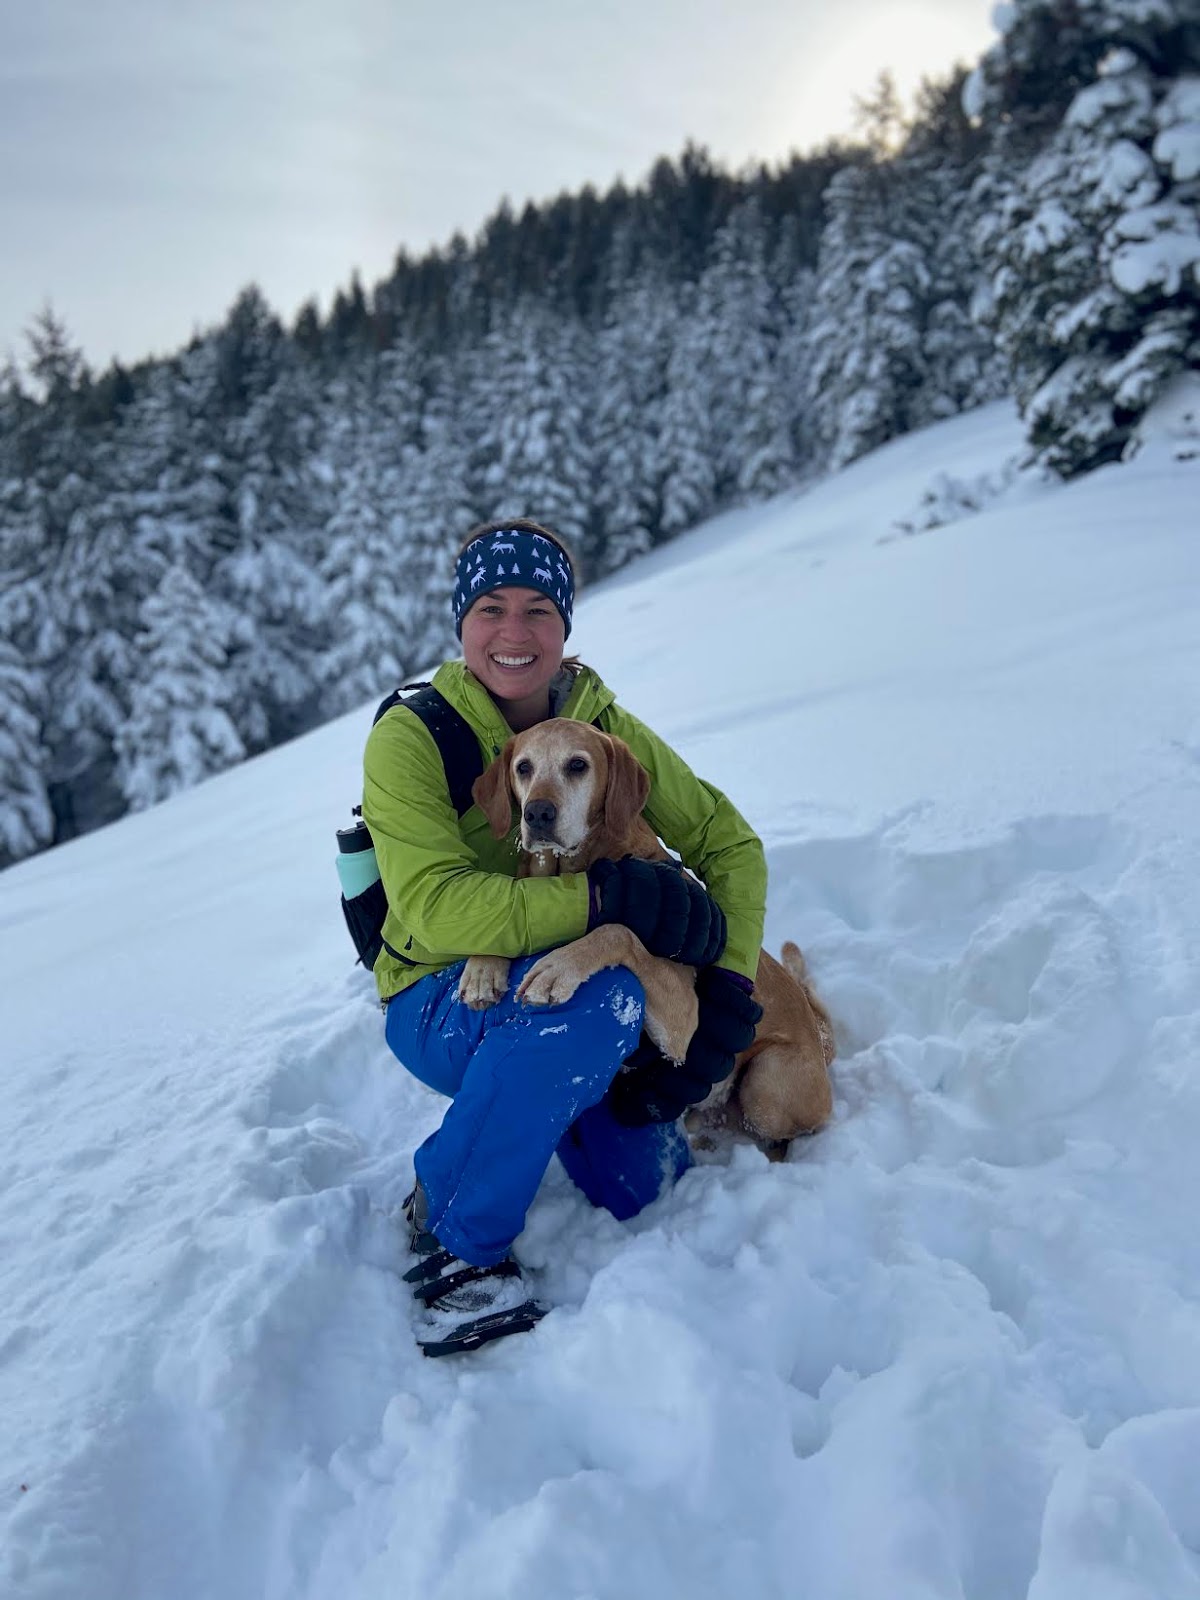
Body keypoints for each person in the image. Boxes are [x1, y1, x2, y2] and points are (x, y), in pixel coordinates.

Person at [362, 517, 767, 1355]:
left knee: (644, 1192)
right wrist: (605, 902)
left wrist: (729, 984)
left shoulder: (601, 725)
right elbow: (436, 908)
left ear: (566, 624)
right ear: (461, 622)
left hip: (557, 986)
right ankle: (454, 1233)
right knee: (600, 995)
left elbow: (729, 842)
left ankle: (550, 1104)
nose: (514, 633)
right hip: (437, 992)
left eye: (539, 608)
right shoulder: (412, 736)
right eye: (491, 608)